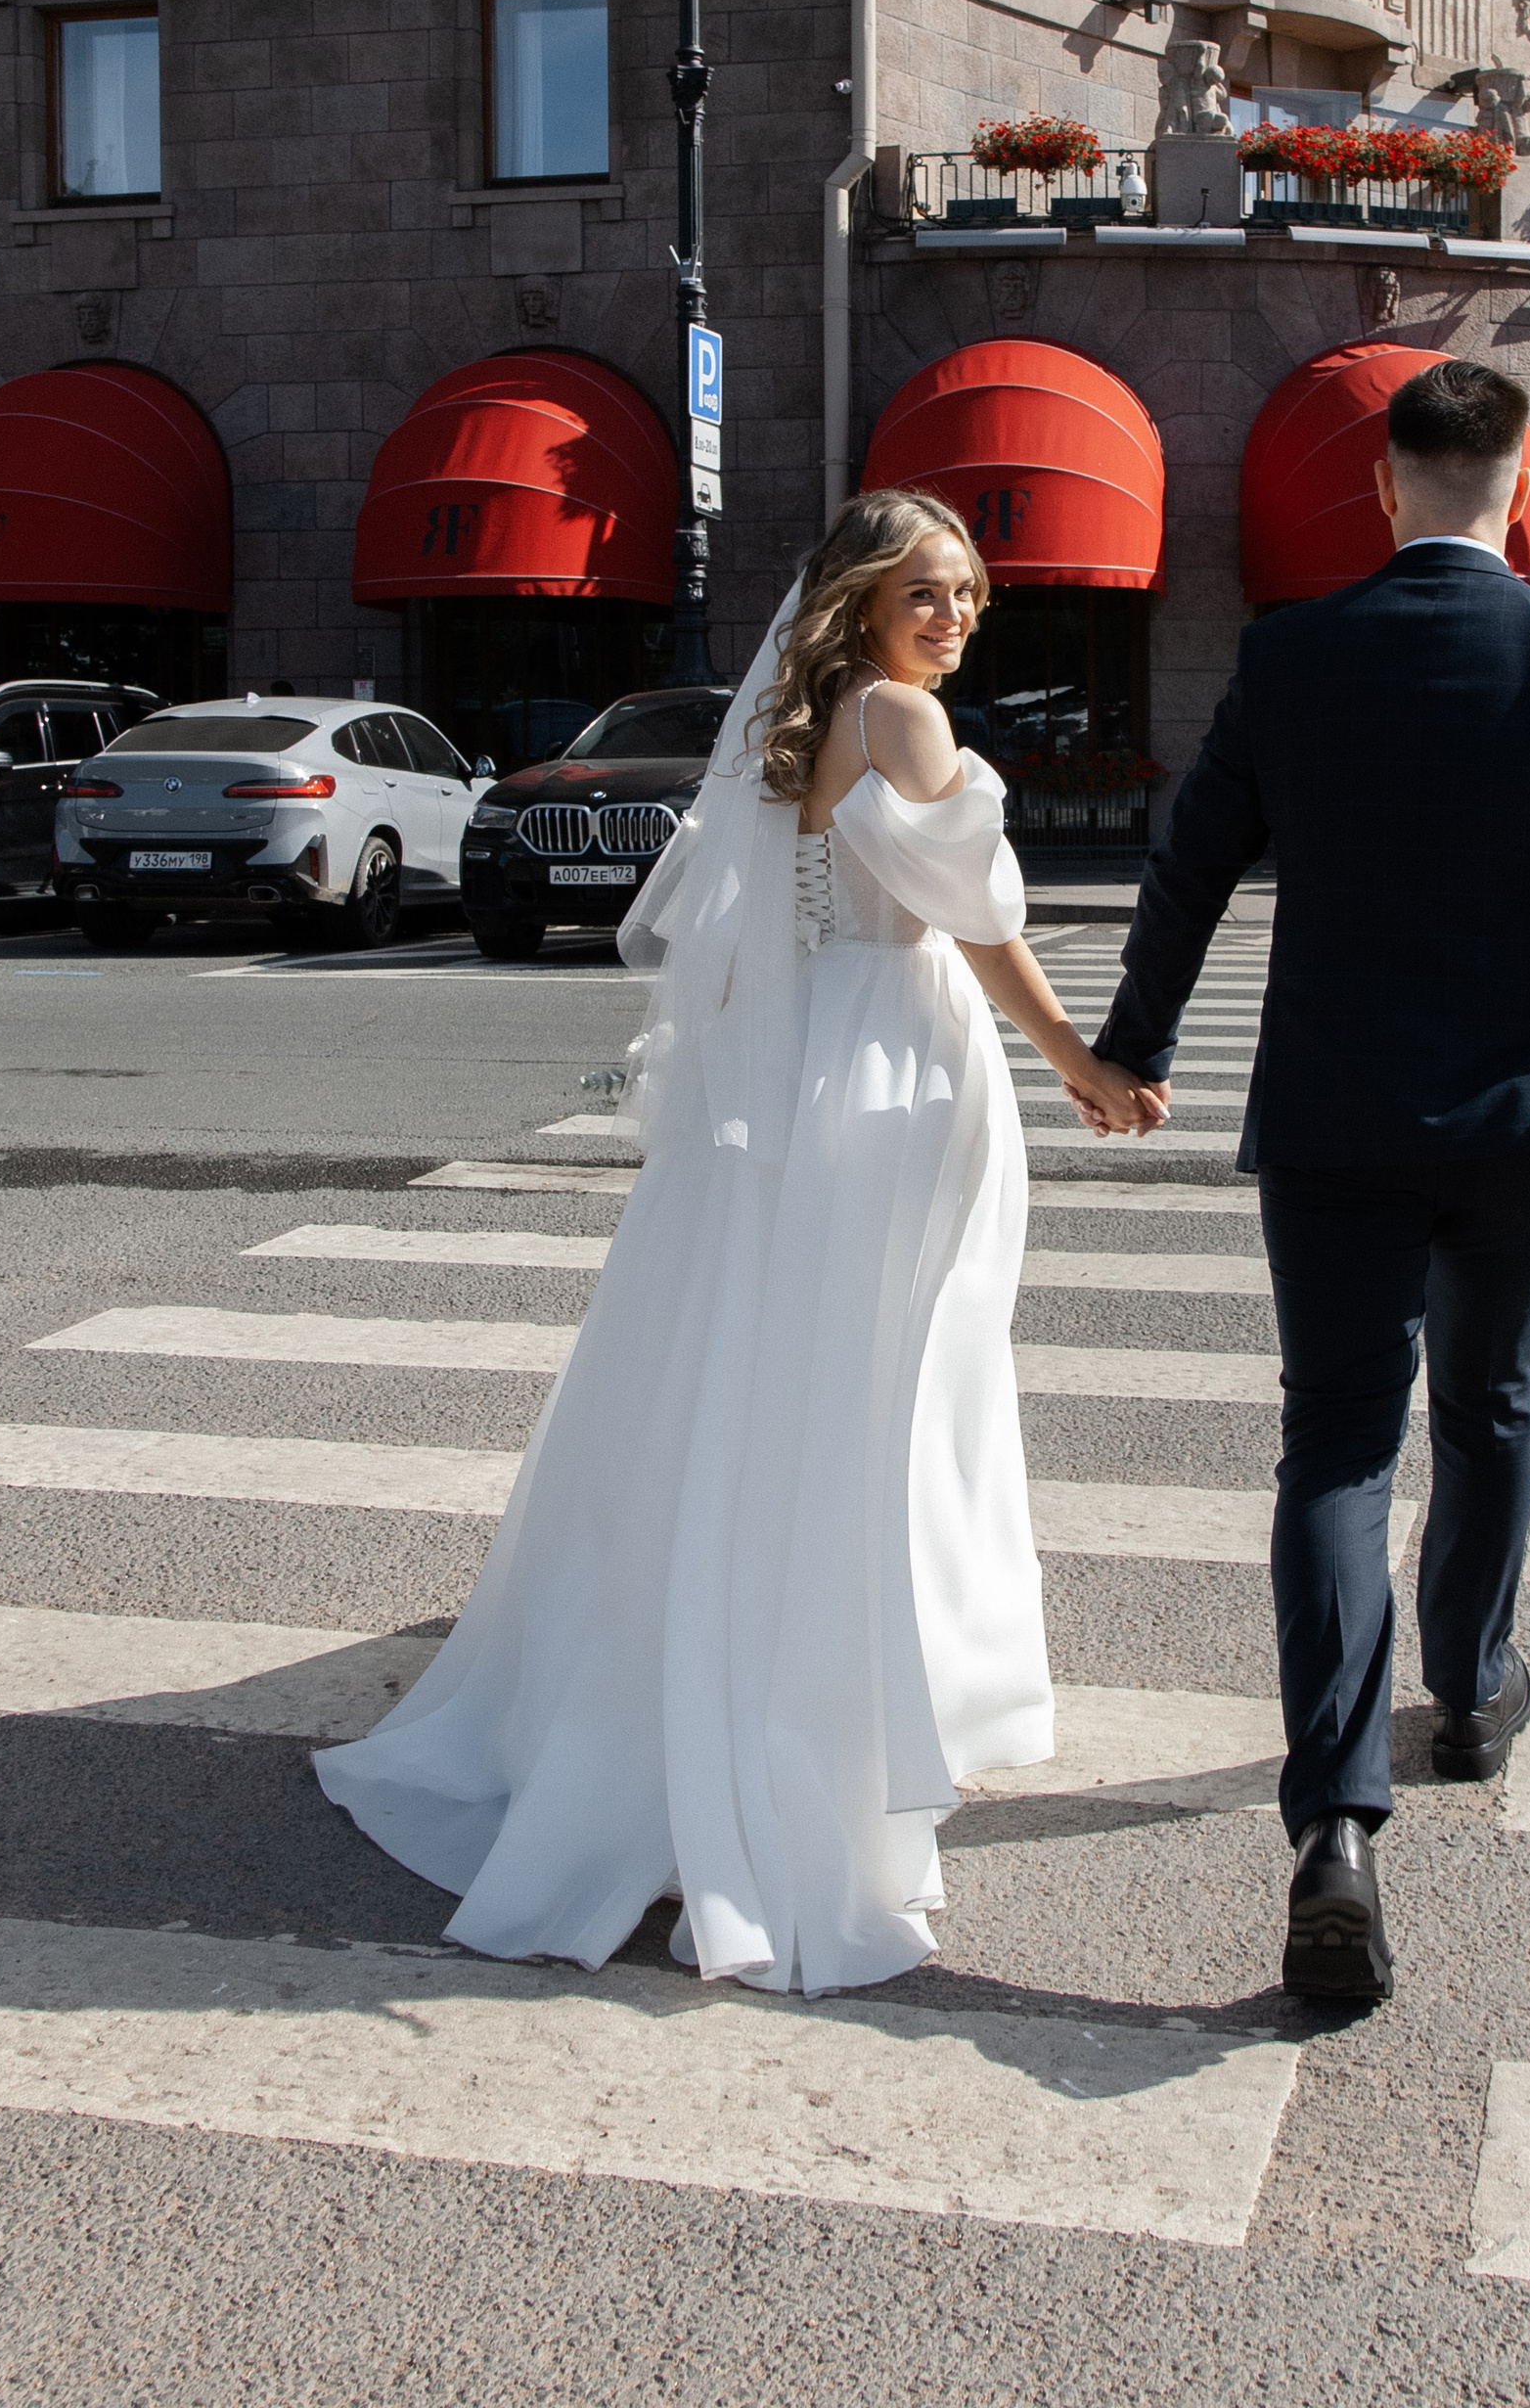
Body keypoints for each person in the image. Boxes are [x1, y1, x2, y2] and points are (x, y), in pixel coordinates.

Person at [314, 488, 1162, 1992]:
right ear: (858, 599)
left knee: (786, 1379)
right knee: (886, 1386)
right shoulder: (898, 718)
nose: (953, 620)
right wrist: (1079, 1063)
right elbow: (982, 925)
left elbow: (740, 937)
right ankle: (842, 1706)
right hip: (897, 1070)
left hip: (814, 1074)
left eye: (968, 595)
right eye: (925, 592)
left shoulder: (794, 714)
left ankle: (798, 1665)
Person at [1089, 359, 1530, 2006]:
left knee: (1337, 1446)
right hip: (1516, 1118)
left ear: (1383, 487)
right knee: (1493, 1401)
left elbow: (1189, 865)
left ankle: (1334, 1829)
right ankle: (1473, 1680)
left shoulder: (1292, 653)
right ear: (1526, 491)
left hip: (1332, 1117)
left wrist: (1137, 1040)